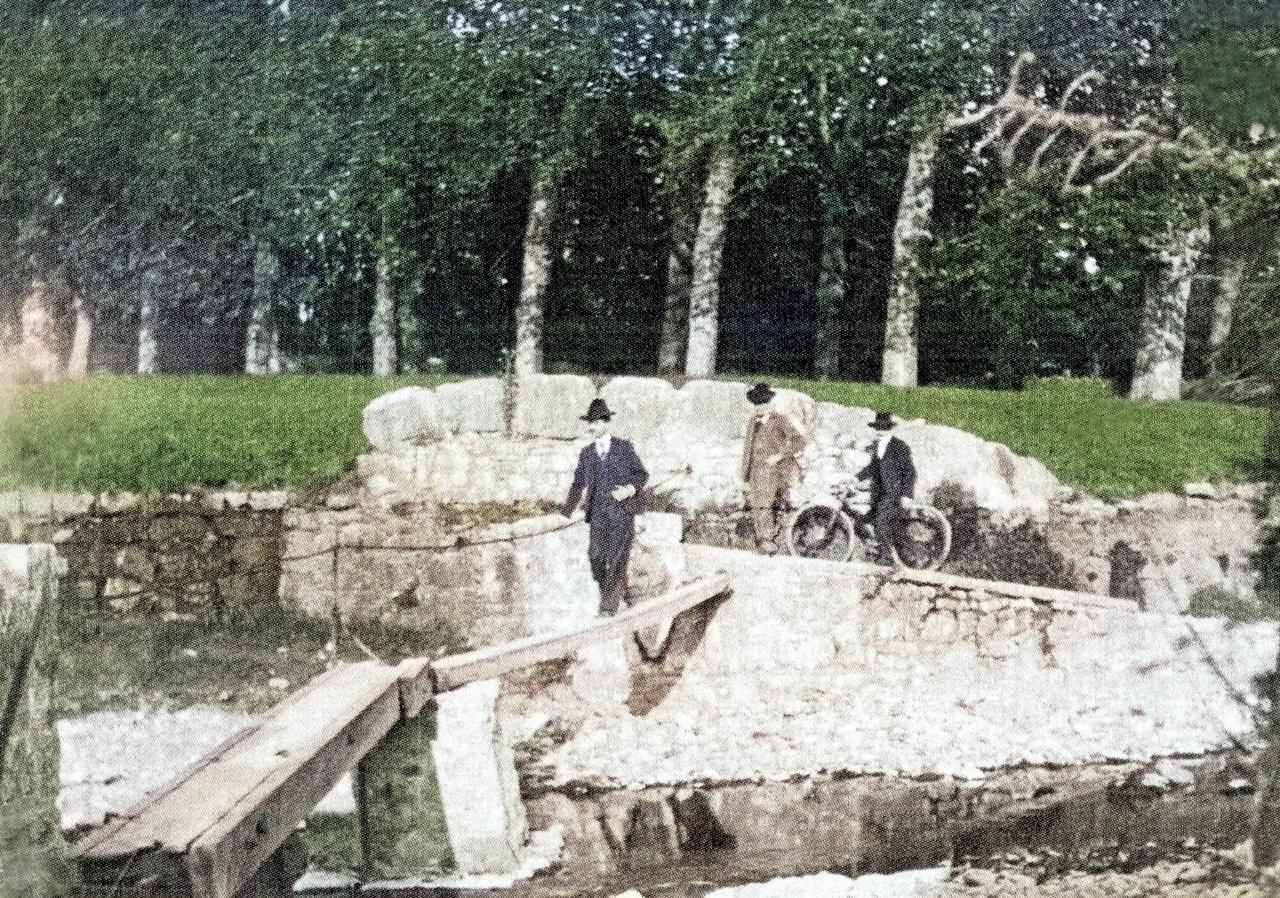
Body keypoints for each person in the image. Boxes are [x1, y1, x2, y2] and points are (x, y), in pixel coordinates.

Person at [563, 398, 649, 614]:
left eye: (596, 422)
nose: (591, 426)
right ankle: (612, 593)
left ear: (606, 423)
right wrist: (566, 512)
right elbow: (578, 483)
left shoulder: (624, 448)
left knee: (617, 559)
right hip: (598, 514)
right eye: (589, 422)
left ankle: (608, 608)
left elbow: (642, 475)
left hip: (622, 513)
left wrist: (630, 489)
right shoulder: (587, 453)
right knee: (596, 557)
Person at [740, 382, 806, 554]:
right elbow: (748, 450)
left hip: (775, 473)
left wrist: (779, 455)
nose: (759, 407)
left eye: (763, 403)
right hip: (755, 472)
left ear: (770, 404)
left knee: (766, 505)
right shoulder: (752, 423)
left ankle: (767, 542)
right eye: (756, 404)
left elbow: (799, 441)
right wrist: (744, 476)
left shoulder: (780, 420)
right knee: (757, 506)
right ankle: (763, 541)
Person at [863, 410, 916, 565]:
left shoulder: (899, 447)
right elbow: (872, 468)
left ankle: (886, 558)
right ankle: (888, 552)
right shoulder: (877, 446)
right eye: (878, 428)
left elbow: (910, 472)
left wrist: (907, 494)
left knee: (881, 522)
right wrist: (855, 477)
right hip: (879, 495)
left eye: (884, 428)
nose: (880, 431)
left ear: (890, 430)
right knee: (867, 521)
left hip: (895, 494)